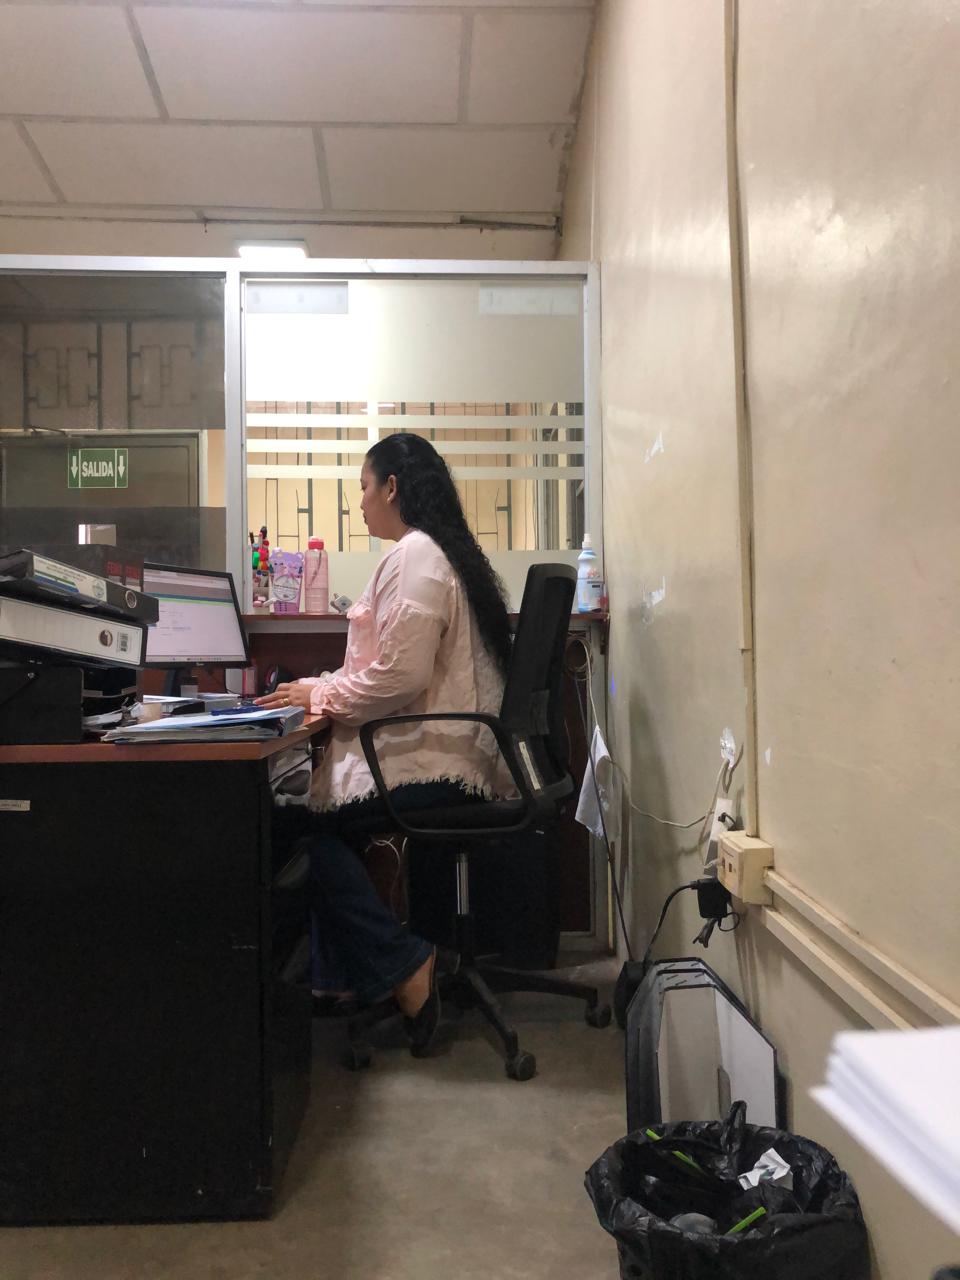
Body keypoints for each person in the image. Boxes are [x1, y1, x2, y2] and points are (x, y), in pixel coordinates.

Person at [257, 433, 513, 1055]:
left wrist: (318, 694)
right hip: (457, 755)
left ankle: (402, 966)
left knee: (305, 836)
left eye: (365, 488)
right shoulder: (438, 553)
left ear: (392, 487)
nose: (361, 502)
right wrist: (320, 687)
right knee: (318, 832)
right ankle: (363, 974)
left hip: (436, 764)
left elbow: (401, 676)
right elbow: (392, 668)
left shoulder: (417, 554)